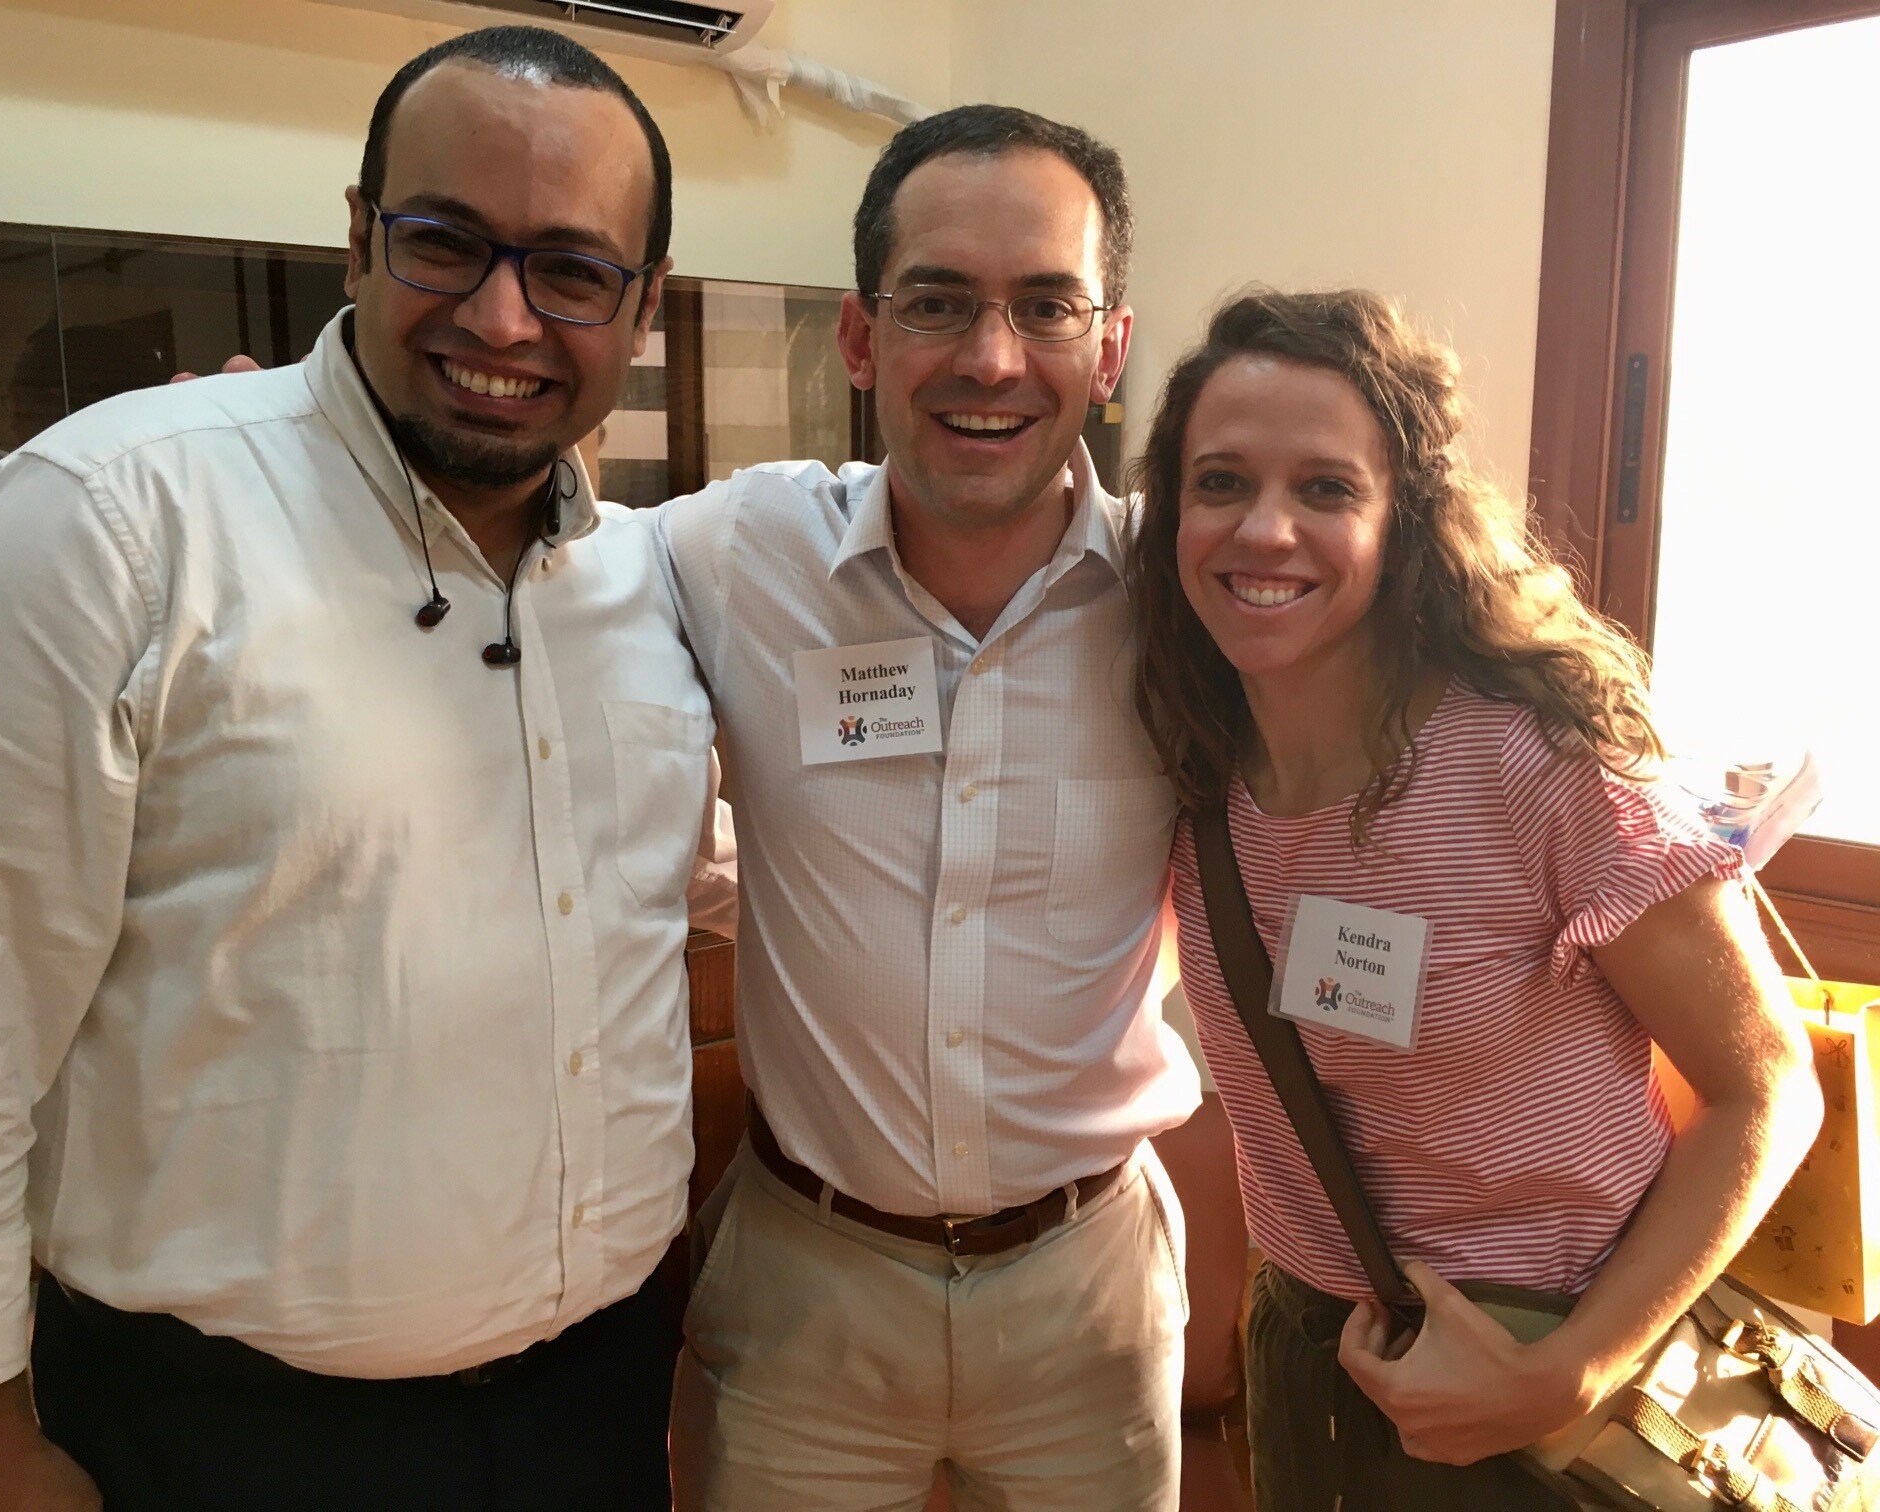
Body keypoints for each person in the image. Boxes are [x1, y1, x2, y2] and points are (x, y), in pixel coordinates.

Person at [0, 26, 732, 1510]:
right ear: (356, 237)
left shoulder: (648, 578)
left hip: (592, 1408)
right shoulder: (110, 522)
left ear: (644, 305)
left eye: (573, 271)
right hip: (211, 1438)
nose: (504, 318)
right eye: (445, 243)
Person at [1125, 287, 1823, 1509]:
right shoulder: (1188, 769)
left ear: (1406, 522)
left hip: (1556, 1361)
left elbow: (1766, 1086)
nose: (1265, 530)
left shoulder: (1534, 766)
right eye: (1221, 482)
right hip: (1314, 1353)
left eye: (1328, 489)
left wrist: (1572, 1369)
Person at [656, 105, 1236, 1511]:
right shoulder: (734, 551)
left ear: (1109, 348)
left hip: (1086, 1293)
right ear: (862, 341)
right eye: (938, 303)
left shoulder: (1196, 595)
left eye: (1045, 306)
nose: (990, 357)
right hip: (808, 1290)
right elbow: (510, 562)